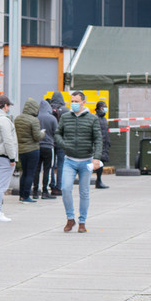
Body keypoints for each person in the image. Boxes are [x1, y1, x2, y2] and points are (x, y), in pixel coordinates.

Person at [57, 89, 104, 233]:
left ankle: (82, 221)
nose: (74, 104)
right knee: (65, 188)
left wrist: (96, 158)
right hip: (69, 160)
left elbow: (98, 139)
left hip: (86, 161)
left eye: (76, 102)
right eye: (72, 101)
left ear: (83, 102)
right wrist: (64, 144)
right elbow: (58, 133)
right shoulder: (65, 117)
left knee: (84, 192)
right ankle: (70, 218)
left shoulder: (92, 118)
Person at [15, 98, 43, 204]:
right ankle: (26, 196)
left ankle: (21, 195)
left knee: (24, 172)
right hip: (32, 149)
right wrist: (43, 134)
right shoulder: (34, 120)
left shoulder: (18, 119)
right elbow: (37, 136)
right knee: (30, 173)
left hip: (21, 150)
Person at [36, 95, 58, 200]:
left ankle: (35, 191)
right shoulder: (52, 118)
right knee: (47, 169)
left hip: (37, 147)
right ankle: (45, 191)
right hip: (49, 147)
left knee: (37, 169)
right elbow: (56, 133)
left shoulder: (36, 117)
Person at [48, 91, 67, 194]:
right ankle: (59, 187)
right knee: (61, 164)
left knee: (51, 164)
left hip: (50, 140)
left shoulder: (48, 109)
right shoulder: (65, 110)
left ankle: (51, 185)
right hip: (61, 141)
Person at [93, 100, 112, 189]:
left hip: (104, 145)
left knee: (101, 164)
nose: (106, 109)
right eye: (104, 107)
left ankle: (99, 181)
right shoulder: (95, 118)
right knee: (96, 164)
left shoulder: (104, 119)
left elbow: (105, 132)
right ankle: (98, 181)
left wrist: (108, 142)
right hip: (98, 145)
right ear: (100, 108)